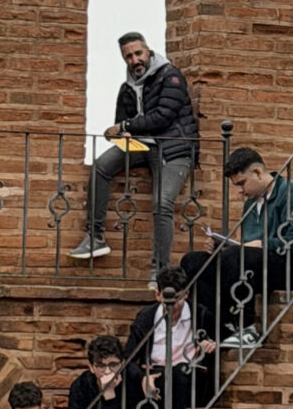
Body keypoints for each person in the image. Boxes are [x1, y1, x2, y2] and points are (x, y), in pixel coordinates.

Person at [69, 33, 197, 275]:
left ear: (148, 51)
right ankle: (95, 237)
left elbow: (163, 117)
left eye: (138, 53)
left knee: (163, 203)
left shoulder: (171, 76)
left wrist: (126, 128)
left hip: (173, 147)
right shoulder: (127, 87)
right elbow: (121, 121)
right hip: (141, 145)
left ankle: (160, 270)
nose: (134, 60)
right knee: (100, 166)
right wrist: (121, 134)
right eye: (128, 56)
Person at [181, 146, 293, 351]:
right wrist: (222, 246)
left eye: (241, 183)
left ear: (257, 172)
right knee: (193, 262)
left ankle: (246, 328)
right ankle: (220, 328)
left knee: (237, 257)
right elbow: (246, 248)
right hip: (256, 264)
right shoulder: (250, 204)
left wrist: (262, 244)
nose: (239, 191)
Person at [127, 265, 217, 409]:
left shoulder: (201, 314)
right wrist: (143, 377)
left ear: (186, 294)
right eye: (167, 299)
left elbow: (215, 344)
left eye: (178, 298)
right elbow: (129, 359)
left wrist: (209, 347)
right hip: (156, 372)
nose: (173, 305)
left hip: (189, 375)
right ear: (158, 295)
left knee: (177, 376)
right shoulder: (146, 317)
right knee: (162, 381)